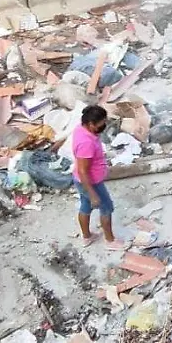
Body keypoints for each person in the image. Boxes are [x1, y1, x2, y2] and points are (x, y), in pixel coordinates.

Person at [73, 105, 122, 250]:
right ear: (91, 124)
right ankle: (110, 240)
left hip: (81, 180)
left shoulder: (80, 129)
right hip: (90, 182)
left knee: (85, 206)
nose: (104, 126)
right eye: (101, 123)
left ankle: (87, 237)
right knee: (106, 208)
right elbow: (83, 171)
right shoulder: (86, 143)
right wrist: (93, 194)